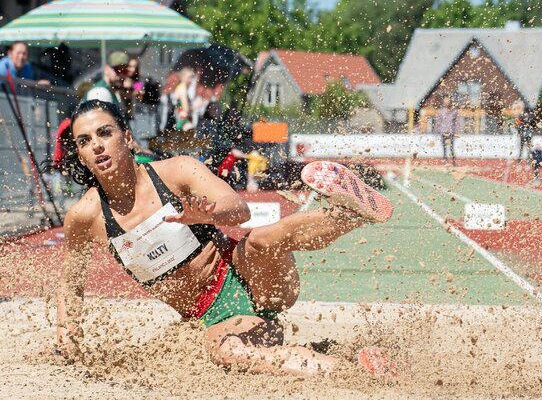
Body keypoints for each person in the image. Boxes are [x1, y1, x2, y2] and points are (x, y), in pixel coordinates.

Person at [55, 100, 395, 376]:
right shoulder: (85, 217)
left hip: (251, 276)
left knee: (261, 239)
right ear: (81, 155)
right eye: (85, 141)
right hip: (215, 317)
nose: (97, 145)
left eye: (105, 133)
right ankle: (354, 369)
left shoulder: (176, 171)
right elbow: (71, 283)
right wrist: (67, 337)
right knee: (225, 350)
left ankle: (349, 213)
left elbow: (239, 208)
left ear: (126, 137)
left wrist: (210, 214)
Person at [434, 94, 460, 164]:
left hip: (451, 131)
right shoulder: (441, 111)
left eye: (448, 100)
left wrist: (457, 132)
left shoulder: (454, 111)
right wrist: (437, 132)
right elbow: (438, 122)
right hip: (443, 132)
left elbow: (457, 123)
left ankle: (454, 161)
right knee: (444, 147)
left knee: (451, 147)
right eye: (445, 100)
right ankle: (445, 160)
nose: (447, 101)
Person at [172, 67, 196, 131]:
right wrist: (197, 106)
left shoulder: (181, 87)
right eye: (189, 77)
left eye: (192, 77)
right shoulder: (182, 89)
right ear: (182, 77)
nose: (191, 80)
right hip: (182, 119)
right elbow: (186, 109)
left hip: (182, 118)